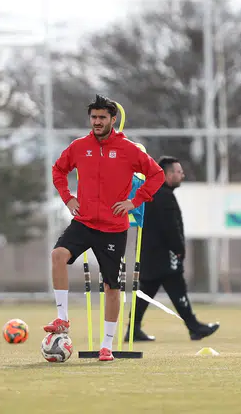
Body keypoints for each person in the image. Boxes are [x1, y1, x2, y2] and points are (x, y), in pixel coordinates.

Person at [47, 95, 165, 361]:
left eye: (102, 118)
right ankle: (62, 320)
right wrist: (68, 198)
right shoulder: (79, 146)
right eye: (93, 117)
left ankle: (107, 345)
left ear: (113, 119)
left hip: (113, 227)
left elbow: (157, 175)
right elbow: (58, 170)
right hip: (84, 221)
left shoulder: (128, 149)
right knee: (58, 256)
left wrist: (134, 202)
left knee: (112, 287)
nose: (97, 122)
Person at [126, 156, 219, 342]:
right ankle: (194, 327)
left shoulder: (153, 193)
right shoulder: (164, 196)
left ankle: (134, 329)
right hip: (163, 255)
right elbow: (170, 227)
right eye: (178, 172)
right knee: (176, 289)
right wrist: (179, 248)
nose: (182, 175)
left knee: (147, 291)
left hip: (150, 254)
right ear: (168, 174)